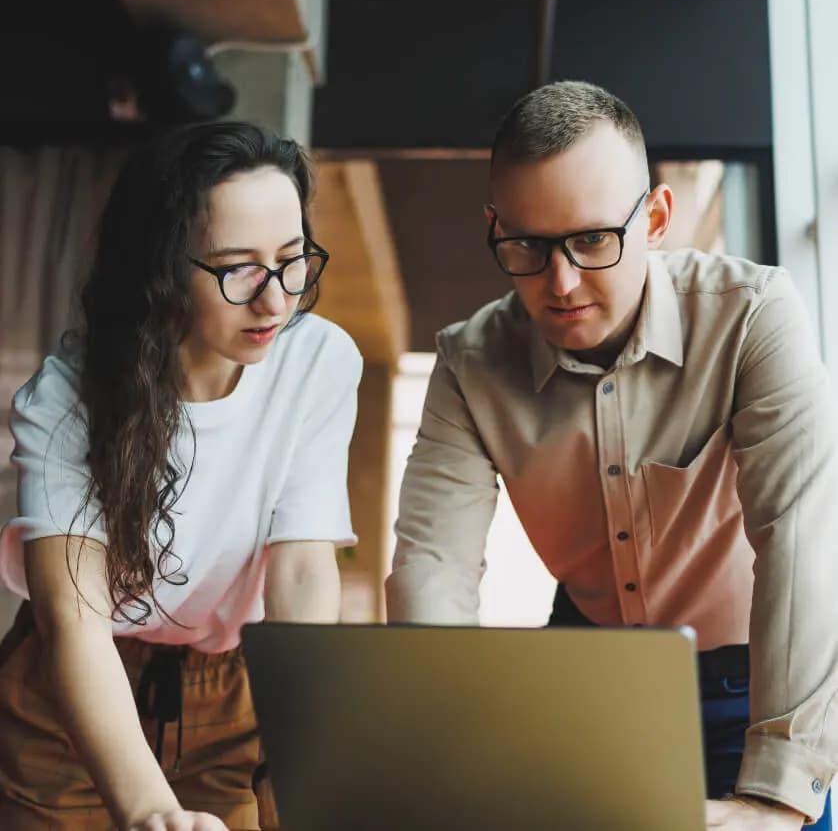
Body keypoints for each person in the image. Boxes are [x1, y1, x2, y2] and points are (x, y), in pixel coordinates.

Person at [386, 80, 838, 830]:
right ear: (496, 227)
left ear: (655, 218)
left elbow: (803, 540)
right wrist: (446, 751)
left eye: (592, 239)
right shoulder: (470, 362)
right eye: (527, 246)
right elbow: (433, 566)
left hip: (758, 681)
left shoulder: (754, 316)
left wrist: (776, 796)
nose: (559, 283)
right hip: (591, 677)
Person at [0, 121, 362, 830]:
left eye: (293, 259)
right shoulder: (67, 399)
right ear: (161, 270)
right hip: (75, 695)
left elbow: (301, 569)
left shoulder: (319, 361)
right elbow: (74, 622)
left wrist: (308, 749)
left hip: (232, 693)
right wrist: (149, 811)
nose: (276, 300)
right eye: (238, 269)